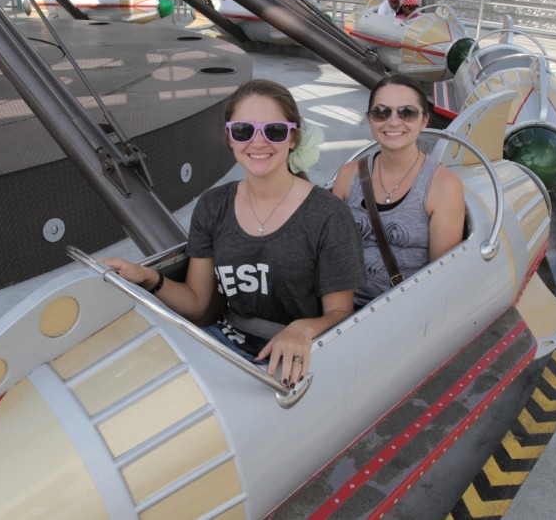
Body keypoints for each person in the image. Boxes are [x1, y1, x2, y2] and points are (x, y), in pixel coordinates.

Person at [102, 79, 364, 387]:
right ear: (230, 138)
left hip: (291, 357)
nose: (258, 141)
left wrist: (303, 329)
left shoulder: (328, 214)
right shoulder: (213, 206)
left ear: (293, 138)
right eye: (244, 130)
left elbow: (340, 313)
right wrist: (147, 276)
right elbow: (199, 303)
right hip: (225, 344)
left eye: (274, 130)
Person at [332, 75, 465, 306]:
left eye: (407, 113)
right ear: (370, 119)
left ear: (424, 121)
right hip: (340, 305)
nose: (393, 122)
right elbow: (331, 252)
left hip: (401, 310)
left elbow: (441, 276)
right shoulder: (348, 175)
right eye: (381, 113)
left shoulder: (443, 186)